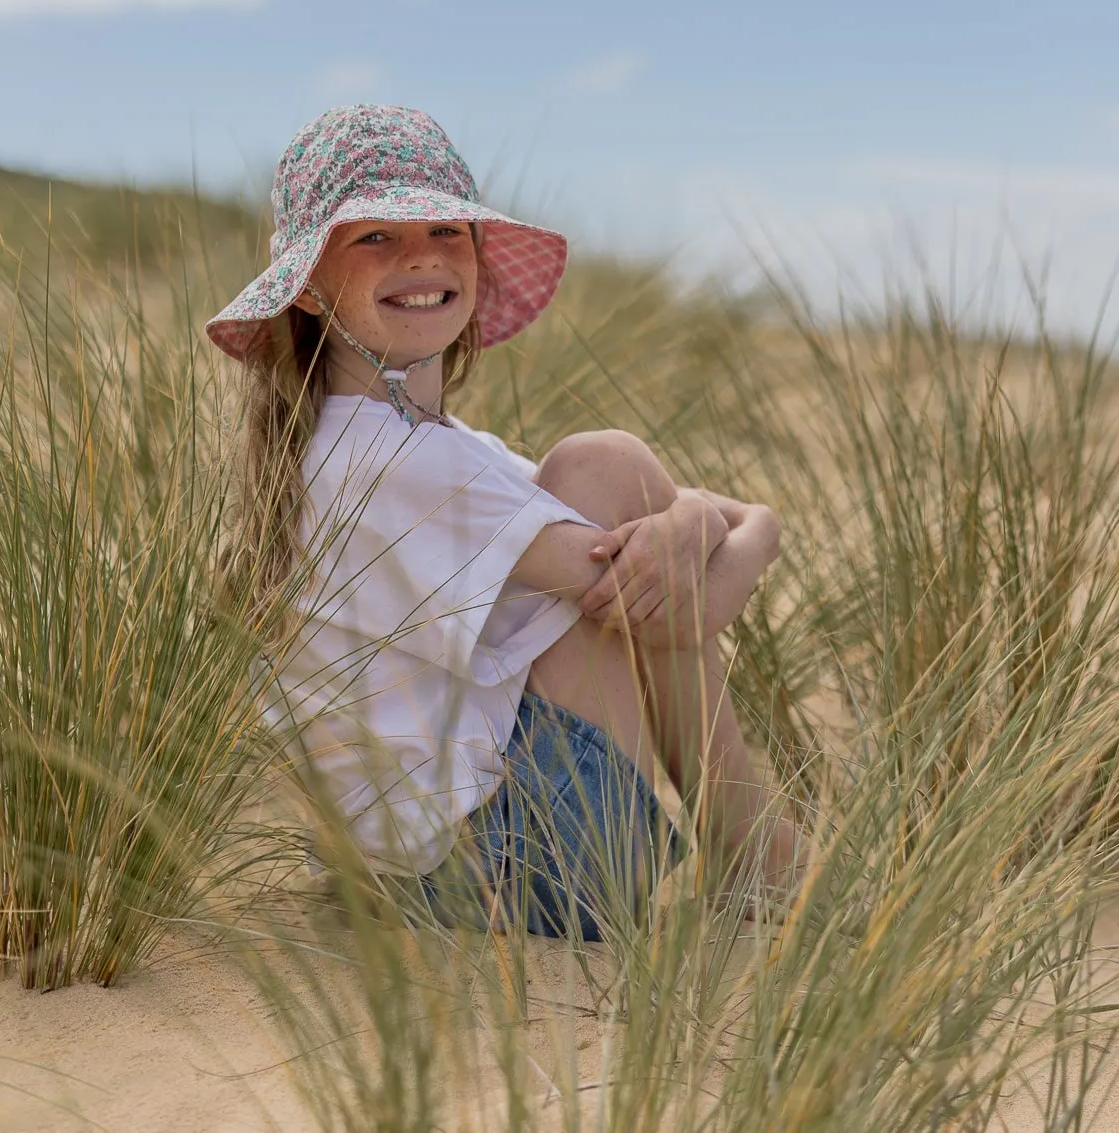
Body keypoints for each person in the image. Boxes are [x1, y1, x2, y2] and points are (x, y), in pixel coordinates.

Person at [208, 103, 795, 938]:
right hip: (514, 869)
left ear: (476, 260)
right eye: (374, 236)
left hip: (407, 874)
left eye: (447, 228)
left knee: (606, 478)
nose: (421, 255)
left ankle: (754, 851)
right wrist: (750, 525)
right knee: (602, 465)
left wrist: (700, 518)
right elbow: (680, 599)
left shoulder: (396, 444)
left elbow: (671, 569)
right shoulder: (392, 462)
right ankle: (753, 849)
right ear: (307, 283)